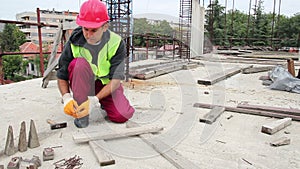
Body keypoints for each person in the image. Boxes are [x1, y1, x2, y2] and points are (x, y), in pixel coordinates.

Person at [56, 0, 135, 128]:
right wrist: (66, 98)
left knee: (122, 115)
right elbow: (62, 75)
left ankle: (101, 101)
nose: (88, 35)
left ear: (105, 27)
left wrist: (95, 100)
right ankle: (82, 112)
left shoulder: (116, 43)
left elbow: (115, 80)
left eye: (93, 30)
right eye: (85, 29)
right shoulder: (73, 41)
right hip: (83, 84)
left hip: (105, 85)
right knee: (78, 64)